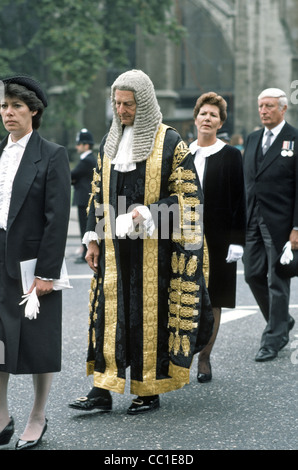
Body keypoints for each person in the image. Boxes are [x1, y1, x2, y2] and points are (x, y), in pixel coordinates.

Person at [69, 69, 214, 415]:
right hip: (115, 252)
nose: (121, 111)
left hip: (155, 252)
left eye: (128, 104)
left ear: (145, 103)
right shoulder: (110, 140)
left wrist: (146, 214)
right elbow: (98, 193)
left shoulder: (170, 142)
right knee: (107, 317)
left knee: (149, 318)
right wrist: (92, 239)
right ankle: (102, 389)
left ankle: (148, 389)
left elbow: (190, 199)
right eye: (117, 103)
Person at [0, 75, 71, 449]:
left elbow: (56, 219)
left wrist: (46, 272)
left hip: (32, 261)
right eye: (4, 106)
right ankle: (1, 415)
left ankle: (38, 415)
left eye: (16, 106)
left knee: (39, 340)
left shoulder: (53, 154)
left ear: (34, 111)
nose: (8, 113)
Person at [189, 92, 246, 382]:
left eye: (213, 115)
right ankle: (180, 356)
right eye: (203, 113)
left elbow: (240, 200)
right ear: (195, 118)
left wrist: (238, 241)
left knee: (214, 299)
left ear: (221, 122)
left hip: (220, 239)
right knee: (184, 296)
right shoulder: (182, 154)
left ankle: (205, 358)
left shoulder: (231, 155)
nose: (207, 118)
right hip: (185, 237)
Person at [243, 88, 298, 362]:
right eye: (261, 106)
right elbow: (248, 184)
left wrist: (297, 228)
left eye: (269, 106)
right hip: (253, 219)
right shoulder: (252, 139)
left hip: (281, 223)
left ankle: (273, 338)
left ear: (283, 108)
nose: (263, 111)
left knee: (278, 280)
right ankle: (282, 320)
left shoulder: (295, 139)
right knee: (252, 275)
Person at [71, 128, 96, 263]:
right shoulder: (88, 159)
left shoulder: (87, 160)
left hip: (84, 199)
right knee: (85, 226)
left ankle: (85, 253)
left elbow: (72, 175)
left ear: (86, 145)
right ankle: (84, 250)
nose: (77, 146)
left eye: (79, 144)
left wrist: (73, 179)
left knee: (84, 227)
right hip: (85, 198)